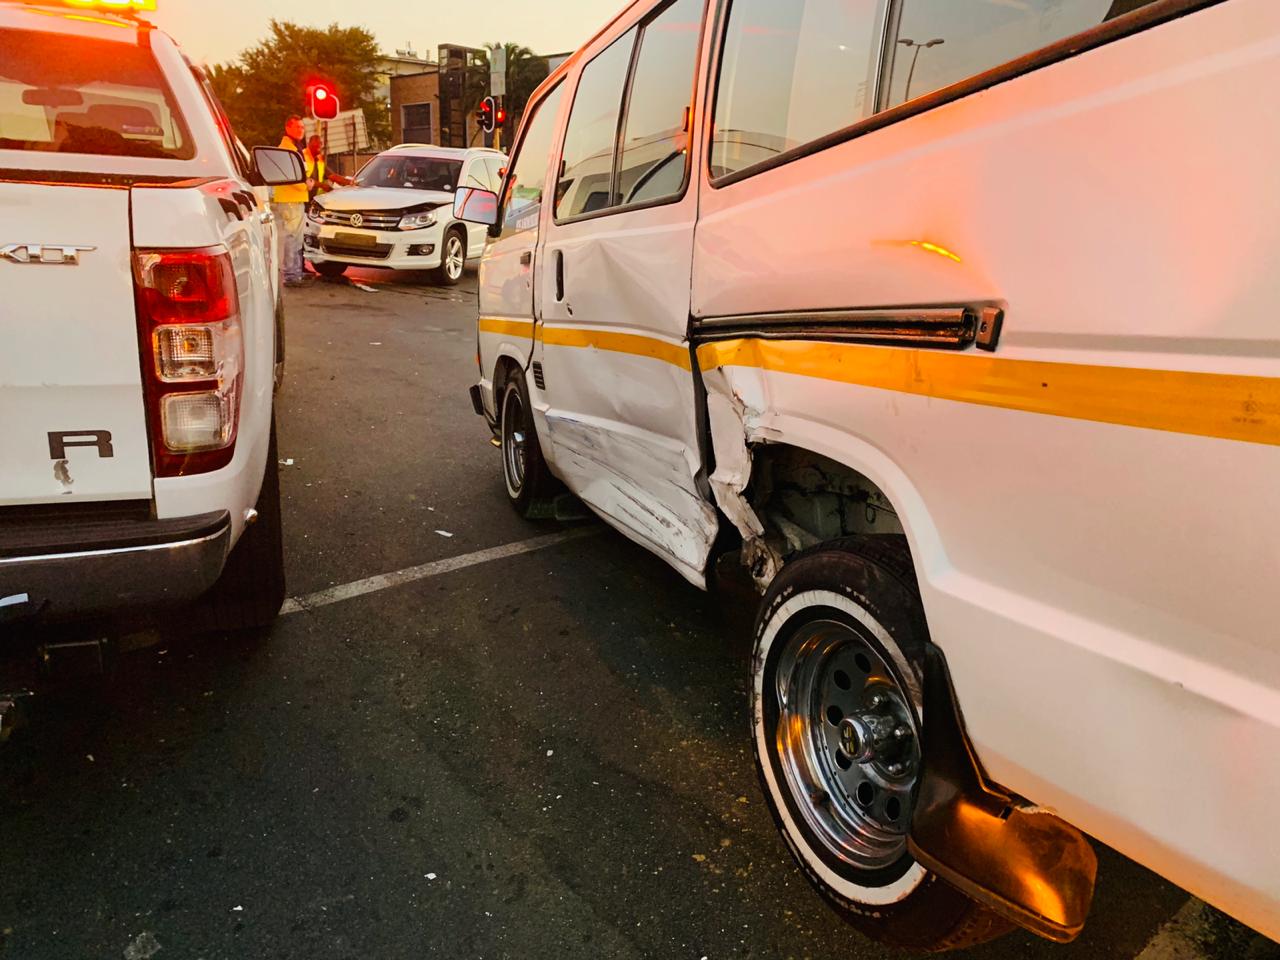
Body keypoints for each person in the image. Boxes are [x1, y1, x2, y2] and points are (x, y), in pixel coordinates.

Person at [272, 116, 310, 286]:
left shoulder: (294, 148)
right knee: (292, 238)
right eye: (297, 127)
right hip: (290, 199)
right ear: (287, 128)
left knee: (295, 238)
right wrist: (306, 185)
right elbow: (292, 177)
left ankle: (295, 273)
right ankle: (291, 275)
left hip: (294, 199)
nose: (301, 130)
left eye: (302, 127)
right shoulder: (287, 150)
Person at [305, 135, 351, 200]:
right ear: (309, 144)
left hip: (315, 199)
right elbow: (304, 178)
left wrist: (349, 182)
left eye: (321, 143)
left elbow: (332, 176)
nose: (319, 145)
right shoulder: (303, 155)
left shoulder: (319, 159)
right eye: (316, 142)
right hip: (303, 198)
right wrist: (322, 186)